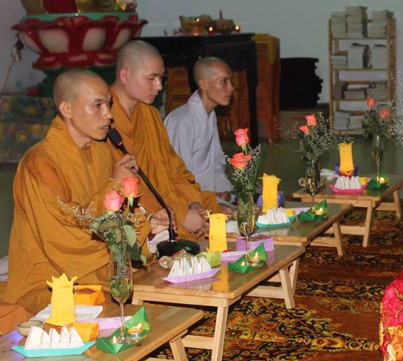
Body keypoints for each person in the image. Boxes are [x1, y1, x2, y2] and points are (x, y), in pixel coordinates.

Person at [4, 69, 170, 314]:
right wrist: (115, 185)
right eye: (97, 105)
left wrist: (147, 224)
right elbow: (66, 237)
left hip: (97, 265)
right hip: (51, 277)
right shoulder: (40, 163)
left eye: (109, 104)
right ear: (67, 109)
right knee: (123, 308)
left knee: (163, 291)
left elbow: (114, 215)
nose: (109, 114)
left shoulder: (101, 150)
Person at [109, 40, 222, 240]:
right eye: (151, 78)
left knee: (210, 207)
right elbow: (125, 185)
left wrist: (192, 202)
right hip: (136, 210)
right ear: (125, 76)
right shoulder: (104, 120)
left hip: (168, 201)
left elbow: (174, 169)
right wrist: (180, 214)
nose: (159, 86)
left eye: (161, 78)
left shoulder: (150, 115)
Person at [164, 57, 233, 201]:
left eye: (230, 81)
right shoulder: (182, 120)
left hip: (208, 195)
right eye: (223, 81)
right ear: (203, 84)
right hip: (188, 200)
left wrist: (222, 191)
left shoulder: (209, 114)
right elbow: (177, 176)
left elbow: (217, 164)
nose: (231, 87)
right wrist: (208, 198)